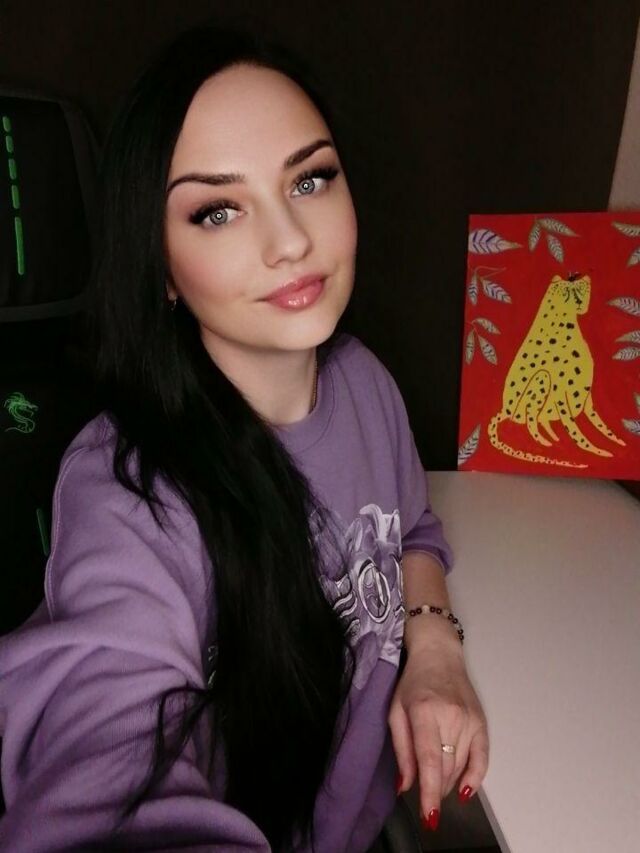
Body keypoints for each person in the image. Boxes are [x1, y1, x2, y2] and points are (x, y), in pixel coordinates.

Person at [0, 23, 489, 853]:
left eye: (310, 178)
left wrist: (435, 648)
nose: (290, 240)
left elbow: (413, 531)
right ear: (160, 266)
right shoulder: (127, 489)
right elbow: (105, 758)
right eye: (217, 210)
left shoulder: (366, 383)